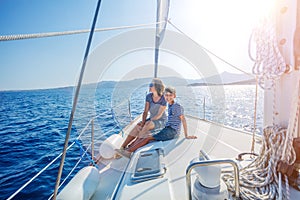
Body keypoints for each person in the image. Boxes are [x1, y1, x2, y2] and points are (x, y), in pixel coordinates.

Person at [116, 86, 197, 158]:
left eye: (170, 95)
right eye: (166, 95)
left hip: (173, 132)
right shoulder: (170, 105)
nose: (168, 97)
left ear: (174, 96)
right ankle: (129, 148)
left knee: (147, 137)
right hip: (167, 128)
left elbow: (183, 120)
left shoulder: (177, 106)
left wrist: (187, 135)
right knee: (146, 133)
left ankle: (128, 152)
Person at [117, 78, 167, 152]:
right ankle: (122, 147)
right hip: (152, 119)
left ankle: (132, 146)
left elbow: (159, 115)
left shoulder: (164, 98)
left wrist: (147, 122)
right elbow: (145, 111)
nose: (149, 86)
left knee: (147, 124)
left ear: (157, 86)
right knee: (138, 125)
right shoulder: (149, 96)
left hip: (161, 120)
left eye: (151, 85)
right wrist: (143, 122)